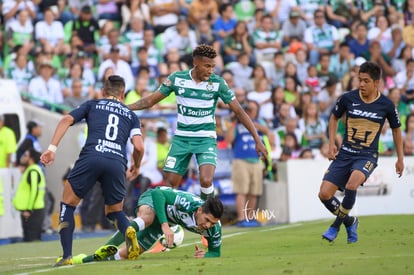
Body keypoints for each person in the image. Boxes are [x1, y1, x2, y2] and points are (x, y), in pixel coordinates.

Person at [127, 44, 268, 200]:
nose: (211, 70)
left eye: (213, 66)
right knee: (170, 183)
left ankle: (208, 216)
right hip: (182, 139)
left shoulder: (218, 83)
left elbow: (240, 111)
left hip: (205, 139)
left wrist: (257, 138)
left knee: (206, 181)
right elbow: (150, 101)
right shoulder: (177, 79)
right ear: (196, 63)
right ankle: (172, 223)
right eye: (207, 66)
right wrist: (126, 107)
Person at [40, 75, 145, 266]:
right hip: (116, 161)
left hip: (92, 156)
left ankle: (66, 256)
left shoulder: (93, 104)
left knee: (68, 204)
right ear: (123, 94)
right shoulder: (131, 115)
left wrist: (51, 148)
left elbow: (66, 119)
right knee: (114, 211)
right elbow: (138, 147)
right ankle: (128, 229)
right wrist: (136, 166)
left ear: (104, 92)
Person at [318, 61, 404, 244]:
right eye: (360, 80)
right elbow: (333, 117)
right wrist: (331, 143)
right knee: (324, 194)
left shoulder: (386, 105)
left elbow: (397, 130)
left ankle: (335, 226)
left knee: (351, 185)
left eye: (366, 81)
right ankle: (350, 221)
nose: (361, 84)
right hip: (345, 153)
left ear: (376, 83)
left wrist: (400, 159)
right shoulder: (347, 98)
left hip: (367, 156)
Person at [75, 186, 224, 262]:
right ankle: (111, 243)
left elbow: (215, 252)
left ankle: (87, 259)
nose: (208, 226)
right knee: (148, 217)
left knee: (129, 253)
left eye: (213, 223)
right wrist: (165, 225)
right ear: (199, 210)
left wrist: (205, 255)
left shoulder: (213, 229)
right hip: (154, 201)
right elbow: (158, 194)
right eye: (207, 220)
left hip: (162, 222)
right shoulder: (187, 202)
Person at [13, 148, 46, 242]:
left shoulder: (33, 171)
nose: (23, 157)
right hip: (32, 210)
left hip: (33, 211)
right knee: (29, 240)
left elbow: (34, 191)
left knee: (32, 240)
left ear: (31, 159)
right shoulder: (31, 170)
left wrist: (29, 210)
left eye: (25, 155)